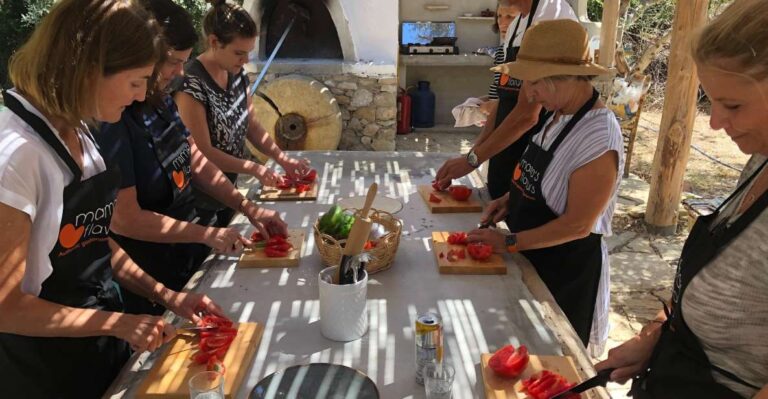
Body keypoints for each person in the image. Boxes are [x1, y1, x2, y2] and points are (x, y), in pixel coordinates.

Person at [0, 1, 225, 397]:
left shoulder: (79, 130)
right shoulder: (17, 156)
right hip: (45, 372)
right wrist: (114, 323)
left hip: (95, 349)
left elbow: (93, 241)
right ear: (88, 67)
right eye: (136, 80)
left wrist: (167, 296)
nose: (141, 95)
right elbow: (6, 306)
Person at [596, 1, 768, 397]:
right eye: (712, 101)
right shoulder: (761, 157)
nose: (715, 122)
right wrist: (657, 335)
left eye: (734, 105)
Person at [98, 0, 288, 316]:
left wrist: (246, 206)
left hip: (188, 252)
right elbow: (125, 219)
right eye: (174, 62)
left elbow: (195, 160)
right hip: (150, 273)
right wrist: (205, 233)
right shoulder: (112, 120)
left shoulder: (161, 99)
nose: (180, 72)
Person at [466, 20, 622, 353]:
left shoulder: (598, 135)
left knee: (555, 361)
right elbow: (546, 181)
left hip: (564, 275)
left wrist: (508, 241)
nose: (530, 94)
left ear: (567, 79)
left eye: (535, 83)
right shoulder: (559, 113)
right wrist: (510, 199)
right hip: (532, 260)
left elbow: (578, 225)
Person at [176, 0, 311, 227]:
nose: (246, 60)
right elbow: (203, 153)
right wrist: (254, 167)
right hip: (199, 203)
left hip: (230, 194)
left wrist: (282, 158)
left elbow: (251, 125)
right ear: (214, 42)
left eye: (248, 52)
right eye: (239, 52)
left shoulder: (237, 74)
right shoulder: (190, 84)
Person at [435, 0, 577, 199]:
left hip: (535, 156)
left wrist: (471, 161)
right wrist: (472, 154)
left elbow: (528, 115)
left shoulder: (551, 15)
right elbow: (505, 102)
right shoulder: (516, 25)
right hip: (506, 151)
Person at [452, 3, 519, 128]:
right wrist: (481, 102)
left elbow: (521, 97)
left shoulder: (522, 53)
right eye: (499, 16)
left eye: (510, 17)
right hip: (495, 118)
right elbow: (501, 87)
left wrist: (491, 106)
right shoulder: (501, 51)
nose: (502, 22)